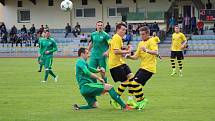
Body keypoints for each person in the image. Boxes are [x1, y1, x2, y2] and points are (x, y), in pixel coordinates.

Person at [108, 23, 141, 109]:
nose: (124, 31)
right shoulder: (116, 37)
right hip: (115, 65)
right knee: (126, 82)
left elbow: (119, 51)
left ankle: (130, 99)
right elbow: (115, 51)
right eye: (122, 29)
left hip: (121, 63)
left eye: (125, 30)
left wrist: (126, 49)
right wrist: (127, 51)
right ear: (118, 30)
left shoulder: (119, 38)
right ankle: (114, 99)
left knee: (132, 79)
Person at [126, 26, 159, 110]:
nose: (142, 36)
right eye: (140, 34)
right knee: (132, 84)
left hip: (149, 68)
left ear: (148, 33)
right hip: (143, 67)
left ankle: (142, 100)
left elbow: (156, 52)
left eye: (143, 34)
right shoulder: (140, 43)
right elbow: (136, 57)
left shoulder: (151, 41)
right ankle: (133, 101)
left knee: (134, 83)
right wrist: (129, 57)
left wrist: (146, 50)